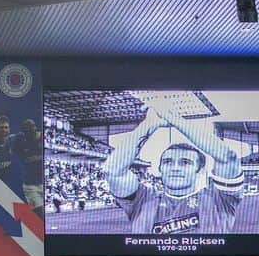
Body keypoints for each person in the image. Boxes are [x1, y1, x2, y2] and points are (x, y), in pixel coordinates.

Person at [103, 99, 243, 235]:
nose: (175, 168)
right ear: (160, 169)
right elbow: (113, 171)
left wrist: (173, 118)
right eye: (168, 162)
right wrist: (150, 124)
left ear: (199, 170)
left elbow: (228, 157)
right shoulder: (143, 199)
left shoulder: (219, 200)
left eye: (185, 162)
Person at [14, 119, 44, 212]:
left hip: (44, 184)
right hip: (31, 185)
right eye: (27, 131)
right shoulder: (19, 142)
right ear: (24, 132)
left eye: (32, 130)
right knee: (39, 213)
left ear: (35, 129)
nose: (30, 133)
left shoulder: (43, 138)